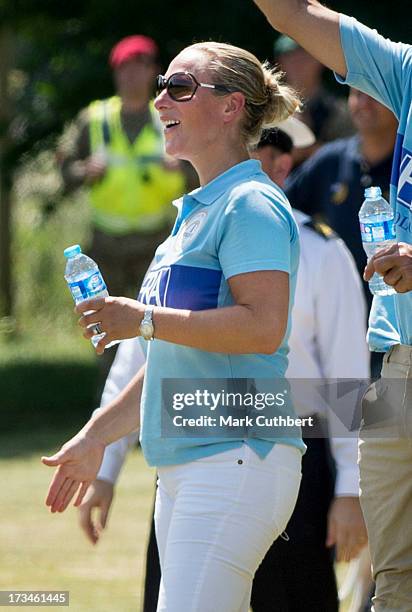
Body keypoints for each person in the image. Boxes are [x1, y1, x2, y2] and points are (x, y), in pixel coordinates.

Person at [42, 42, 306, 612]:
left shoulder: (250, 203)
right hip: (193, 460)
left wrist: (143, 320)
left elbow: (263, 327)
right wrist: (95, 439)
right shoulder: (198, 211)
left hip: (238, 453)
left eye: (181, 87)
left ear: (232, 107)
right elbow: (168, 363)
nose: (160, 97)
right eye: (163, 83)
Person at [80, 120, 370, 612]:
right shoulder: (185, 235)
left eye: (278, 153)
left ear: (285, 164)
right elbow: (143, 358)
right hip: (186, 446)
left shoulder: (321, 249)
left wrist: (350, 488)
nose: (270, 163)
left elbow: (348, 376)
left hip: (278, 447)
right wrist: (103, 462)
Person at [252, 1, 412, 609]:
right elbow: (291, 12)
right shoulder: (405, 73)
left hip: (364, 359)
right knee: (392, 577)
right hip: (393, 362)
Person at [57, 35, 187, 298]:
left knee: (154, 322)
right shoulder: (93, 118)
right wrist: (84, 171)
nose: (132, 74)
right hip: (106, 245)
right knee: (107, 321)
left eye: (140, 66)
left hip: (157, 241)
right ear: (115, 73)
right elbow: (66, 171)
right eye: (125, 67)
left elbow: (202, 169)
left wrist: (182, 168)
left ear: (153, 71)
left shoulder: (169, 116)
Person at [273, 34, 354, 164]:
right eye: (289, 55)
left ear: (320, 60)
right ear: (280, 62)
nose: (297, 61)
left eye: (304, 54)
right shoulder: (268, 111)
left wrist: (308, 148)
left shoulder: (340, 111)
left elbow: (351, 155)